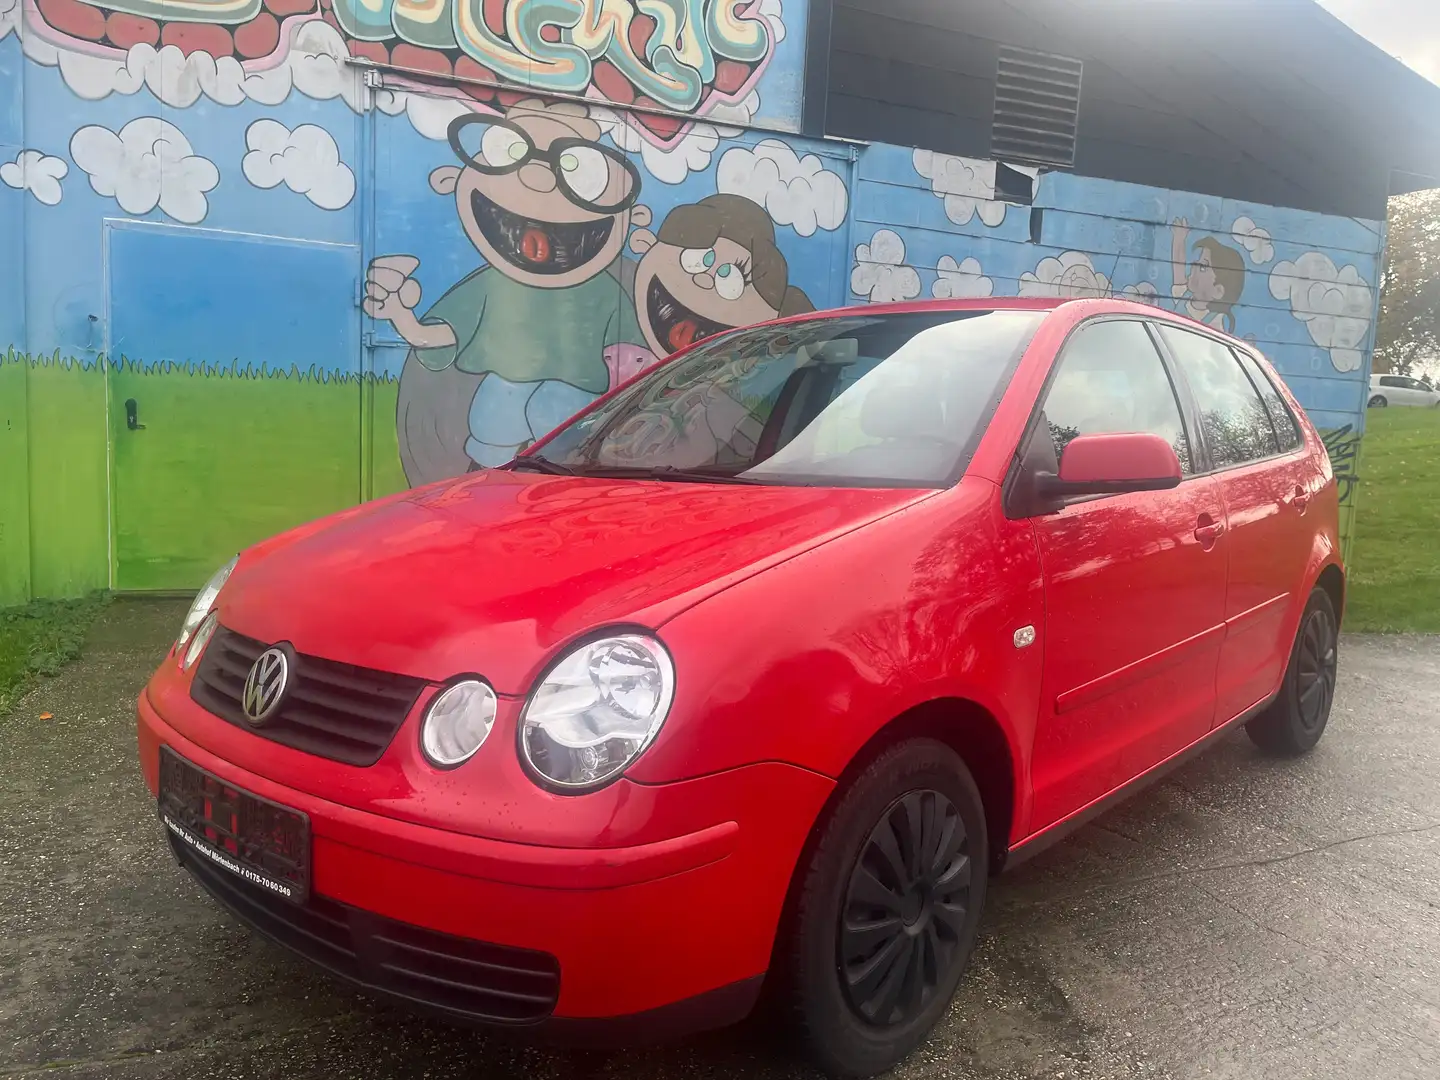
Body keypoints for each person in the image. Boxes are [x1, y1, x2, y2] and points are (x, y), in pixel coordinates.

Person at [365, 99, 649, 483]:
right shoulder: (493, 285)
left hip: (569, 404)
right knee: (497, 414)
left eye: (578, 170)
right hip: (508, 399)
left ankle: (502, 487)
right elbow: (430, 337)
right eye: (512, 152)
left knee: (543, 420)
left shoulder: (604, 291)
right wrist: (399, 312)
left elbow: (641, 358)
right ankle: (489, 487)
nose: (540, 180)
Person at [1170, 218, 1247, 333]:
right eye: (1197, 262)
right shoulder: (1183, 298)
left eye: (1203, 267)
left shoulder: (1215, 324)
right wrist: (1179, 239)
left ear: (1218, 291)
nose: (1194, 266)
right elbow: (1178, 267)